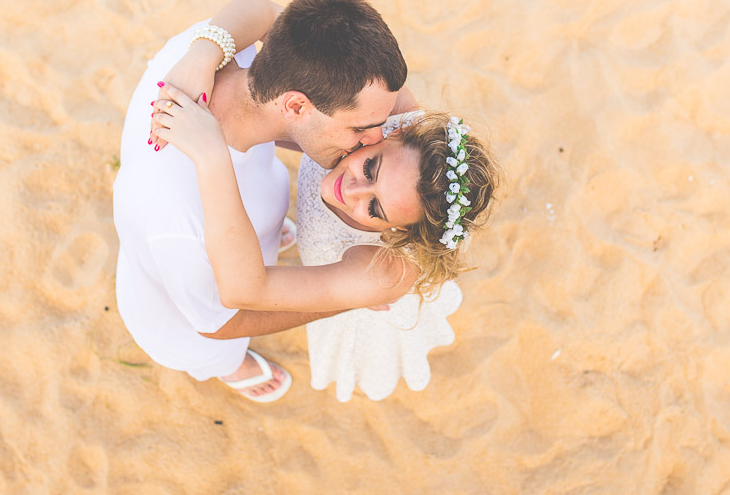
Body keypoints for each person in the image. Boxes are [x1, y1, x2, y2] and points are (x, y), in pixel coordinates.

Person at [113, 0, 413, 402]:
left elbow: (267, 11)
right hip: (190, 316)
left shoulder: (225, 56)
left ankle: (271, 231)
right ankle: (231, 369)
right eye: (361, 127)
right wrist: (351, 295)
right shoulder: (180, 224)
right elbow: (220, 322)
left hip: (241, 226)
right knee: (216, 353)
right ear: (295, 105)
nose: (374, 138)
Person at [154, 87, 499, 401]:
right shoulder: (389, 109)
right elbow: (272, 20)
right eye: (370, 166)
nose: (350, 190)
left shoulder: (382, 273)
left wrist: (212, 156)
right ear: (394, 132)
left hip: (347, 277)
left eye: (375, 208)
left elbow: (239, 300)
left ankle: (227, 364)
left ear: (396, 234)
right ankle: (285, 228)